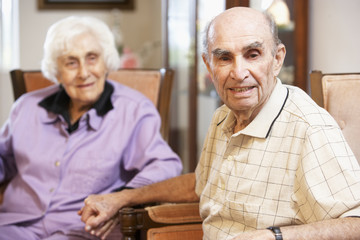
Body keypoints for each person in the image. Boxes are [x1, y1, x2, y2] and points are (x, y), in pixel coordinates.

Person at [80, 7, 360, 240]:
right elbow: (200, 186)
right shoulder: (223, 117)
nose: (238, 73)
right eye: (224, 58)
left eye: (253, 55)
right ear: (208, 65)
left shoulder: (308, 127)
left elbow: (356, 223)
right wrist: (122, 198)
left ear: (276, 60)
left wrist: (275, 236)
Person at [0, 16, 182, 239]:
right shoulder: (27, 107)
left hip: (82, 230)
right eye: (71, 62)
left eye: (92, 58)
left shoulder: (133, 110)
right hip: (14, 225)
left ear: (106, 62)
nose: (83, 72)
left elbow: (165, 165)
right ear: (56, 71)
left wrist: (122, 198)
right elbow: (4, 160)